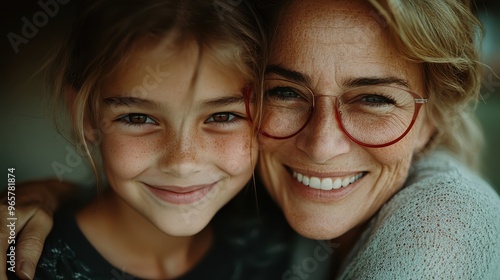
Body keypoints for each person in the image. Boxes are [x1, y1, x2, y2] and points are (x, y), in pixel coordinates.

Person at [3, 0, 500, 279]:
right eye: (284, 92)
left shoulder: (441, 236)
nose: (323, 145)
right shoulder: (258, 212)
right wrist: (34, 194)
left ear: (435, 118)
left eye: (373, 100)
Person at [3, 0, 297, 279]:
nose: (182, 163)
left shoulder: (273, 234)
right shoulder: (22, 263)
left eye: (221, 117)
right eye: (138, 118)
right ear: (86, 116)